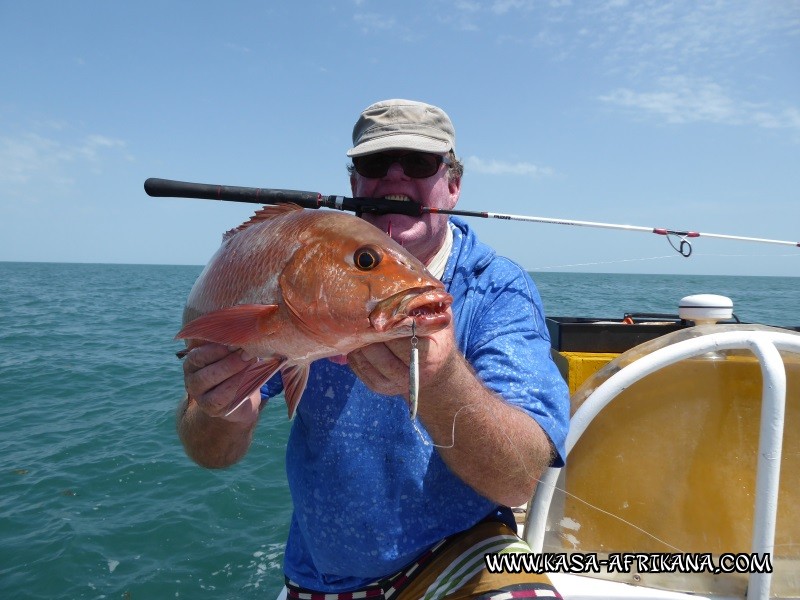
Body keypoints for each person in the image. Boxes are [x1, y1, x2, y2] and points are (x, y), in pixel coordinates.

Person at [178, 99, 570, 599]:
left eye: (421, 163)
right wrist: (220, 412)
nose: (394, 179)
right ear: (355, 185)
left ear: (453, 185)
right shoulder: (300, 293)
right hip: (321, 576)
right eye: (374, 164)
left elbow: (518, 481)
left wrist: (442, 381)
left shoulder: (496, 289)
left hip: (460, 555)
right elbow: (212, 454)